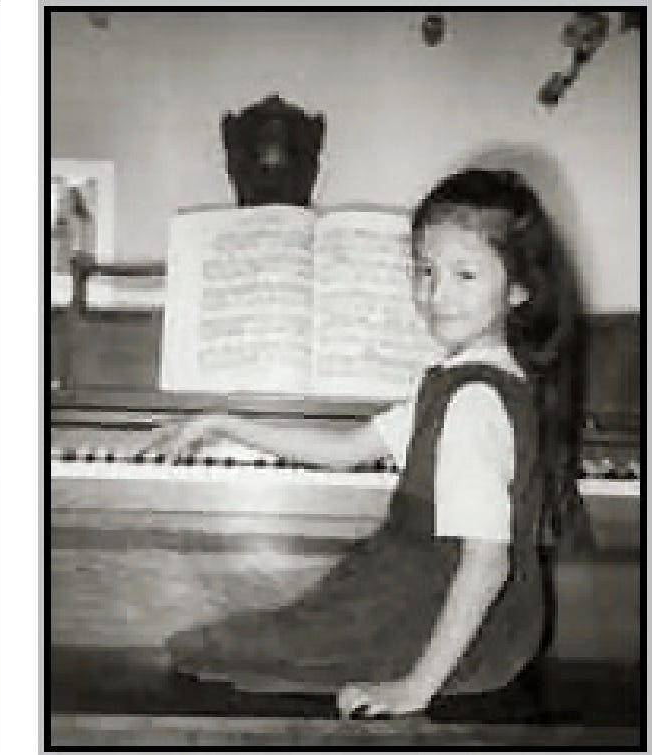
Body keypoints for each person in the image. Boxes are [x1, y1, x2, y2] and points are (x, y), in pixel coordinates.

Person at [144, 168, 583, 718]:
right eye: (424, 271)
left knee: (208, 651)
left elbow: (488, 564)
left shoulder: (475, 400)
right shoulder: (461, 382)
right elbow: (348, 447)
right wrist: (228, 423)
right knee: (230, 643)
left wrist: (413, 689)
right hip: (415, 593)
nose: (435, 295)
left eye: (465, 275)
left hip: (445, 624)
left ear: (519, 287)